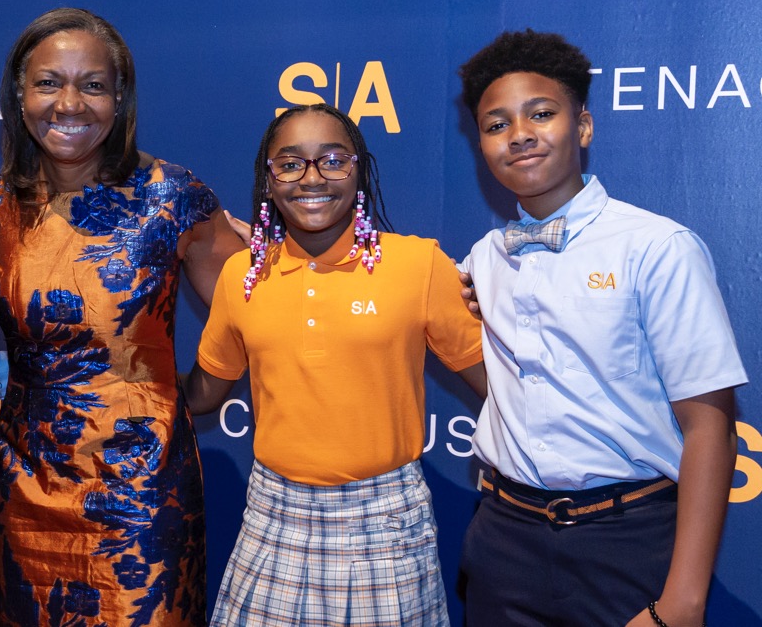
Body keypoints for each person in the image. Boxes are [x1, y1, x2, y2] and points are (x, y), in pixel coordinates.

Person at [456, 30, 747, 627]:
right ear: (481, 144)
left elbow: (710, 427)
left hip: (627, 543)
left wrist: (683, 603)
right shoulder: (483, 260)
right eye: (496, 124)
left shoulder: (657, 248)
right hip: (503, 541)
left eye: (541, 113)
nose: (520, 135)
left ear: (582, 127)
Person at [0, 8, 241, 627]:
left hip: (141, 492)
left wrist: (199, 392)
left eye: (92, 85)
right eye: (49, 83)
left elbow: (254, 310)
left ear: (119, 99)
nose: (69, 103)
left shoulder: (174, 198)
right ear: (18, 95)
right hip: (25, 488)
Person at [183, 103, 487, 627]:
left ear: (359, 171)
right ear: (269, 179)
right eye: (290, 163)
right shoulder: (243, 277)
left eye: (332, 160)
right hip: (273, 517)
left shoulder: (418, 266)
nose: (312, 178)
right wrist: (124, 368)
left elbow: (500, 386)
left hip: (385, 522)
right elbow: (206, 392)